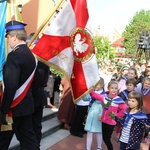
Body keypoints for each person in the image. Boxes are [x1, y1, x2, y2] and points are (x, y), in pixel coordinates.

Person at [0, 20, 39, 150]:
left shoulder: (14, 56)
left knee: (5, 139)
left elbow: (11, 85)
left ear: (14, 37)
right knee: (28, 138)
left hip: (15, 106)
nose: (8, 41)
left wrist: (4, 110)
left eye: (9, 38)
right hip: (26, 104)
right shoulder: (30, 55)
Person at [90, 81, 127, 150]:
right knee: (104, 138)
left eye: (116, 88)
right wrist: (90, 89)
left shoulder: (118, 99)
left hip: (111, 122)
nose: (114, 90)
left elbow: (124, 109)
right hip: (103, 121)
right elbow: (95, 95)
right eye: (112, 88)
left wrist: (117, 116)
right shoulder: (105, 97)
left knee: (107, 139)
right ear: (108, 88)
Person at [31, 61, 49, 146]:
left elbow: (38, 79)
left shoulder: (42, 63)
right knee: (35, 124)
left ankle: (35, 144)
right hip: (39, 95)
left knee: (35, 124)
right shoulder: (45, 62)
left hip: (36, 95)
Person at [84, 78, 105, 150]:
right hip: (90, 114)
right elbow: (85, 99)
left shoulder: (104, 95)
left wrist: (101, 115)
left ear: (102, 85)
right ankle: (88, 148)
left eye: (97, 84)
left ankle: (99, 147)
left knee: (99, 132)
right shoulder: (92, 92)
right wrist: (85, 92)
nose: (95, 86)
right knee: (89, 132)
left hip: (98, 115)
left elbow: (104, 106)